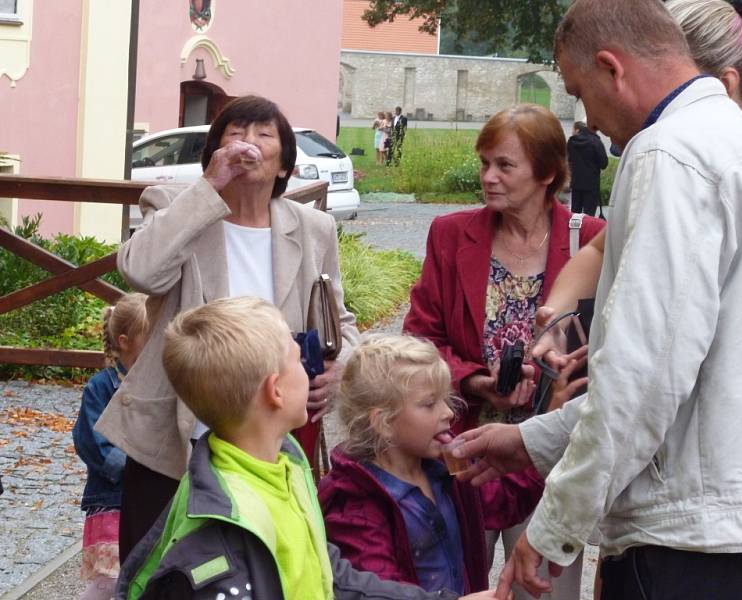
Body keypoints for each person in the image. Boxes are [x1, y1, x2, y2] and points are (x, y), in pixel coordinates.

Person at [453, 1, 742, 598]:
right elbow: (692, 376)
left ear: (612, 69)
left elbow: (644, 377)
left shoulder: (669, 151)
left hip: (690, 547)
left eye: (580, 92)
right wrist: (532, 441)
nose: (589, 119)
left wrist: (554, 524)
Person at [95, 95, 359, 562]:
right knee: (156, 566)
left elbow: (339, 320)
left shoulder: (313, 228)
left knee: (257, 566)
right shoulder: (178, 208)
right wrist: (209, 187)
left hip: (268, 438)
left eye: (262, 134)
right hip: (176, 432)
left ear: (284, 165)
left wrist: (341, 370)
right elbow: (141, 274)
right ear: (214, 153)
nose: (247, 144)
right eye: (234, 133)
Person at [116, 297, 500, 600]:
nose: (313, 369)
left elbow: (328, 574)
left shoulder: (286, 464)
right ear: (275, 390)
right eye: (300, 360)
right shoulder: (225, 527)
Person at [403, 103, 604, 599]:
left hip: (553, 458)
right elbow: (420, 338)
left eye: (505, 166)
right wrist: (475, 379)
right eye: (484, 163)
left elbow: (617, 346)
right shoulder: (451, 235)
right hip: (465, 453)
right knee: (456, 585)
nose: (489, 177)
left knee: (545, 591)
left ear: (548, 173)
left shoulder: (591, 240)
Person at [534, 0, 742, 332]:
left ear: (724, 88)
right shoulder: (677, 164)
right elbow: (601, 251)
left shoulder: (692, 166)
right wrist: (555, 320)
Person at [318, 335, 543, 595]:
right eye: (429, 404)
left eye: (446, 399)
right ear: (383, 422)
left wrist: (547, 434)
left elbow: (505, 501)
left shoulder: (447, 466)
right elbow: (379, 592)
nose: (448, 412)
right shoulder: (356, 506)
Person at [72, 292, 148, 600]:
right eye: (150, 335)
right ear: (125, 341)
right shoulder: (100, 388)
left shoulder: (155, 384)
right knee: (108, 583)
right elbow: (93, 443)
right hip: (111, 501)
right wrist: (140, 465)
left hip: (144, 497)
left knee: (139, 575)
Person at [566, 121, 607, 217]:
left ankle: (574, 231)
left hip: (576, 182)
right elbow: (604, 163)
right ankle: (587, 232)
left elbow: (569, 160)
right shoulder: (596, 142)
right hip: (591, 184)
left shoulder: (571, 142)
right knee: (589, 214)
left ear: (578, 130)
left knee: (575, 213)